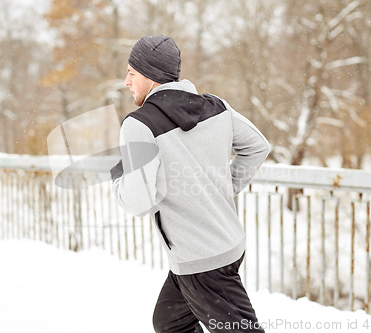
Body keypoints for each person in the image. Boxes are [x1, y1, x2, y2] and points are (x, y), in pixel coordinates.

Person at [110, 35, 269, 333]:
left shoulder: (139, 125)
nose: (126, 82)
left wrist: (118, 175)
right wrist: (222, 190)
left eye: (131, 73)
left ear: (150, 75)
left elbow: (138, 201)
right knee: (170, 323)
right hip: (226, 243)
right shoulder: (217, 107)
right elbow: (257, 146)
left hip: (202, 261)